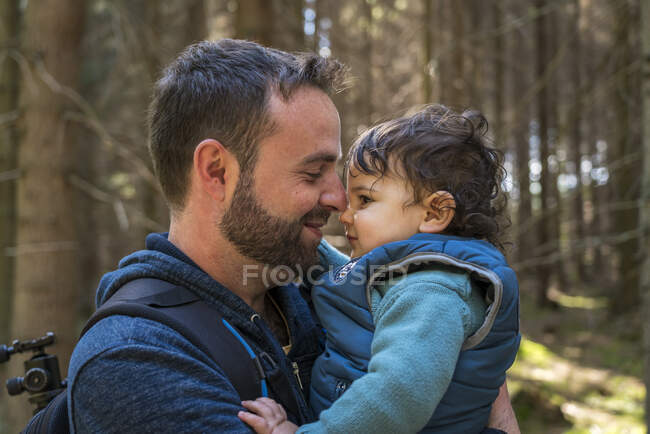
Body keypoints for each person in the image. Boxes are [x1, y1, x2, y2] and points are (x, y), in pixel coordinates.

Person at [66, 40, 518, 433]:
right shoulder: (137, 360)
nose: (339, 200)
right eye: (313, 171)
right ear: (217, 172)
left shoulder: (310, 283)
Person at [238, 105, 521, 433]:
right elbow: (364, 286)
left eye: (365, 201)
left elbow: (400, 395)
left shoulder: (431, 292)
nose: (345, 214)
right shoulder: (413, 277)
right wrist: (306, 248)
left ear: (434, 213)